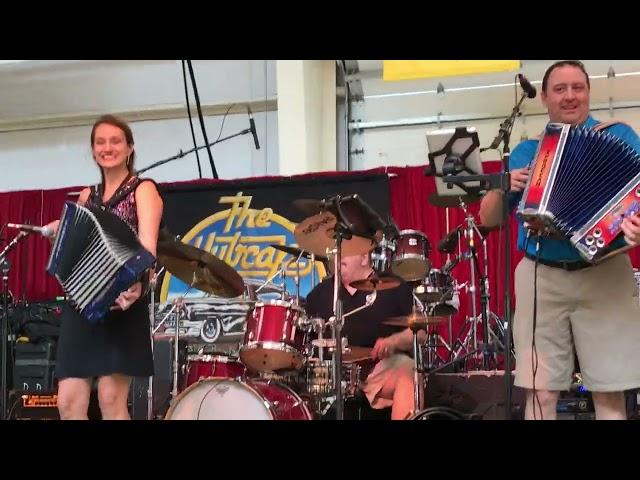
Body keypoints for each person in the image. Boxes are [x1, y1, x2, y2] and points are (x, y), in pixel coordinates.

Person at [479, 60, 640, 420]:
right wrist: (503, 184)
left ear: (588, 93)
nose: (570, 96)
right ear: (545, 99)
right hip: (542, 276)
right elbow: (487, 219)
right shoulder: (525, 152)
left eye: (578, 88)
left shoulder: (619, 136)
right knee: (541, 392)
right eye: (560, 89)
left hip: (605, 274)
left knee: (610, 393)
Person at [47, 114, 163, 420]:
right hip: (83, 304)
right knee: (68, 404)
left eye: (115, 141)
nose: (107, 147)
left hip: (121, 306)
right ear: (93, 150)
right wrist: (59, 236)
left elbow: (148, 249)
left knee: (111, 401)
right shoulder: (87, 196)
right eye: (100, 142)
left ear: (129, 148)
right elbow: (77, 251)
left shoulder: (144, 190)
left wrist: (137, 284)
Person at [305, 251, 426, 420]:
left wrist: (393, 341)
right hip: (328, 373)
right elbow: (306, 344)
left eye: (345, 251)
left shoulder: (393, 286)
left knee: (408, 372)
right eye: (336, 250)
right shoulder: (318, 295)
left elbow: (420, 333)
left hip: (377, 370)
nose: (338, 256)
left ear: (364, 257)